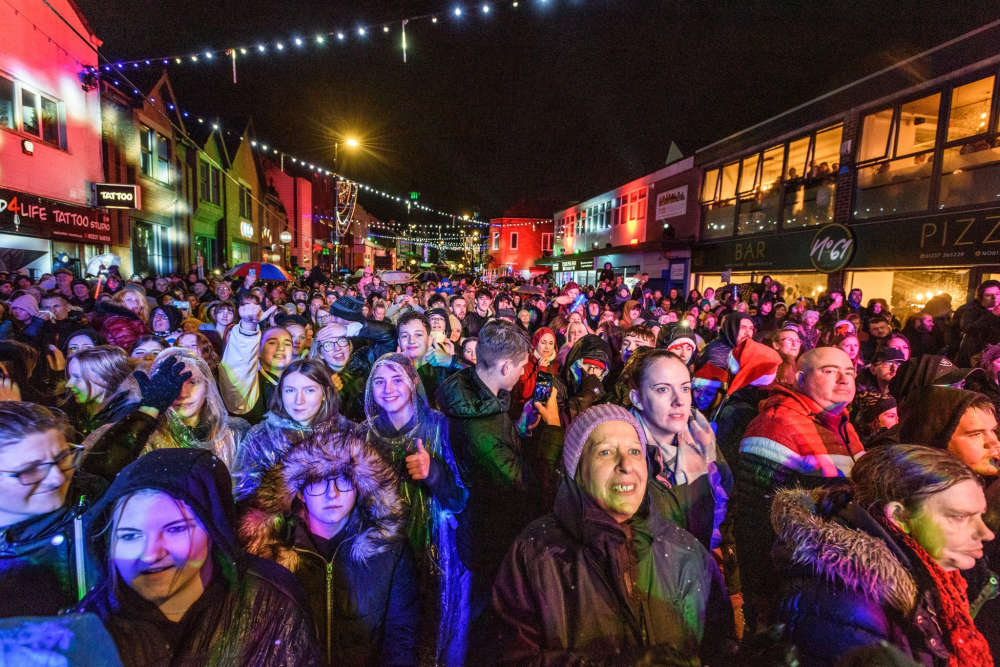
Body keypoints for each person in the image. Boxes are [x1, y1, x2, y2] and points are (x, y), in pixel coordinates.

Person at [491, 404, 734, 664]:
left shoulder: (687, 553)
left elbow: (719, 650)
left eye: (634, 451)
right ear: (577, 471)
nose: (626, 465)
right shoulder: (536, 554)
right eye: (605, 452)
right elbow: (511, 657)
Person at [74, 448, 321, 665]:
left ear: (213, 529)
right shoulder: (88, 629)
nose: (150, 554)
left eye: (175, 529)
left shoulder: (270, 603)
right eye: (129, 536)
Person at [0, 359, 191, 618]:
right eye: (30, 471)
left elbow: (104, 464)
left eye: (62, 457)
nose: (56, 478)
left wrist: (149, 410)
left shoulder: (82, 498)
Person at [771, 445, 995, 666]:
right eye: (959, 517)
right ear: (899, 516)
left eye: (979, 516)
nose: (986, 533)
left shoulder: (940, 581)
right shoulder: (846, 600)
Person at [240, 427, 418, 666]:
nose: (331, 494)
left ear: (358, 486)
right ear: (300, 493)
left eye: (343, 480)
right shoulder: (270, 552)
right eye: (317, 483)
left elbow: (400, 639)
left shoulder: (388, 549)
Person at [435, 319, 562, 635]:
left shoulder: (478, 394)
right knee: (490, 620)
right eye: (521, 367)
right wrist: (554, 429)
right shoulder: (479, 429)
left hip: (489, 528)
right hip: (488, 538)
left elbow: (503, 451)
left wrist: (521, 428)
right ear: (506, 366)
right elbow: (526, 485)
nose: (523, 373)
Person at [734, 345, 866, 632]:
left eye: (849, 372)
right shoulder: (776, 424)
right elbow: (754, 518)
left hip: (832, 579)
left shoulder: (842, 424)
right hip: (793, 585)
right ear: (800, 379)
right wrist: (763, 597)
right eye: (829, 371)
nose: (844, 380)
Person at [358, 353, 470, 665]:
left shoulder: (440, 427)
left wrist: (433, 471)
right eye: (379, 381)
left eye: (397, 380)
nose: (388, 388)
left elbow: (460, 498)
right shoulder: (363, 435)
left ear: (413, 384)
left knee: (430, 632)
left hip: (432, 551)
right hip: (381, 555)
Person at [627, 349, 731, 551]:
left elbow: (725, 505)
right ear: (637, 398)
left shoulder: (702, 437)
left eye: (685, 388)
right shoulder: (621, 449)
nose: (679, 401)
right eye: (663, 389)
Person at [233, 359, 355, 501]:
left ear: (325, 393)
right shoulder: (261, 438)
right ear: (281, 393)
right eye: (290, 390)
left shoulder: (347, 433)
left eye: (309, 390)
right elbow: (245, 495)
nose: (299, 400)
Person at [219, 300, 294, 424]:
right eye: (272, 342)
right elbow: (238, 368)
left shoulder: (299, 381)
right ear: (258, 350)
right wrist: (248, 327)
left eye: (287, 343)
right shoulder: (250, 384)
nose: (281, 348)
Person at [64, 345, 140, 438]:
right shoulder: (82, 410)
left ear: (105, 377)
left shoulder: (128, 415)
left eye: (77, 378)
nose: (69, 384)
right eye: (70, 377)